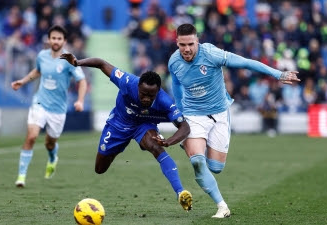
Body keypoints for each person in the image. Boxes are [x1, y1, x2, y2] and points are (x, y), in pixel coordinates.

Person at [168, 23, 300, 218]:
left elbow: (246, 62)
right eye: (182, 45)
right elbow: (177, 85)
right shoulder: (174, 62)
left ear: (198, 41)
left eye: (190, 44)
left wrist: (278, 74)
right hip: (193, 115)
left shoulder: (212, 54)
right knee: (197, 161)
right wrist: (180, 114)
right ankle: (222, 206)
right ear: (177, 43)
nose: (186, 49)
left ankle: (191, 144)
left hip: (220, 113)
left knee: (216, 168)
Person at [59, 53, 193, 211]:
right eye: (143, 94)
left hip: (143, 125)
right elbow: (101, 63)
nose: (146, 99)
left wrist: (170, 141)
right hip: (118, 124)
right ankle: (117, 148)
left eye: (151, 96)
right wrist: (77, 62)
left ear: (158, 92)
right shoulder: (127, 81)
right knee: (100, 169)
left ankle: (180, 192)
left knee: (155, 146)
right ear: (138, 87)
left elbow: (185, 127)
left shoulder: (165, 101)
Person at [11, 25, 87, 187]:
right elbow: (37, 71)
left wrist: (80, 100)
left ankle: (53, 158)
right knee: (31, 136)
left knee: (49, 143)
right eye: (53, 38)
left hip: (58, 109)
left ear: (64, 41)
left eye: (59, 38)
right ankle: (21, 176)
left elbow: (82, 81)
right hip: (40, 102)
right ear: (49, 39)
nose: (56, 41)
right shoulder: (42, 56)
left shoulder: (69, 59)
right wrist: (22, 81)